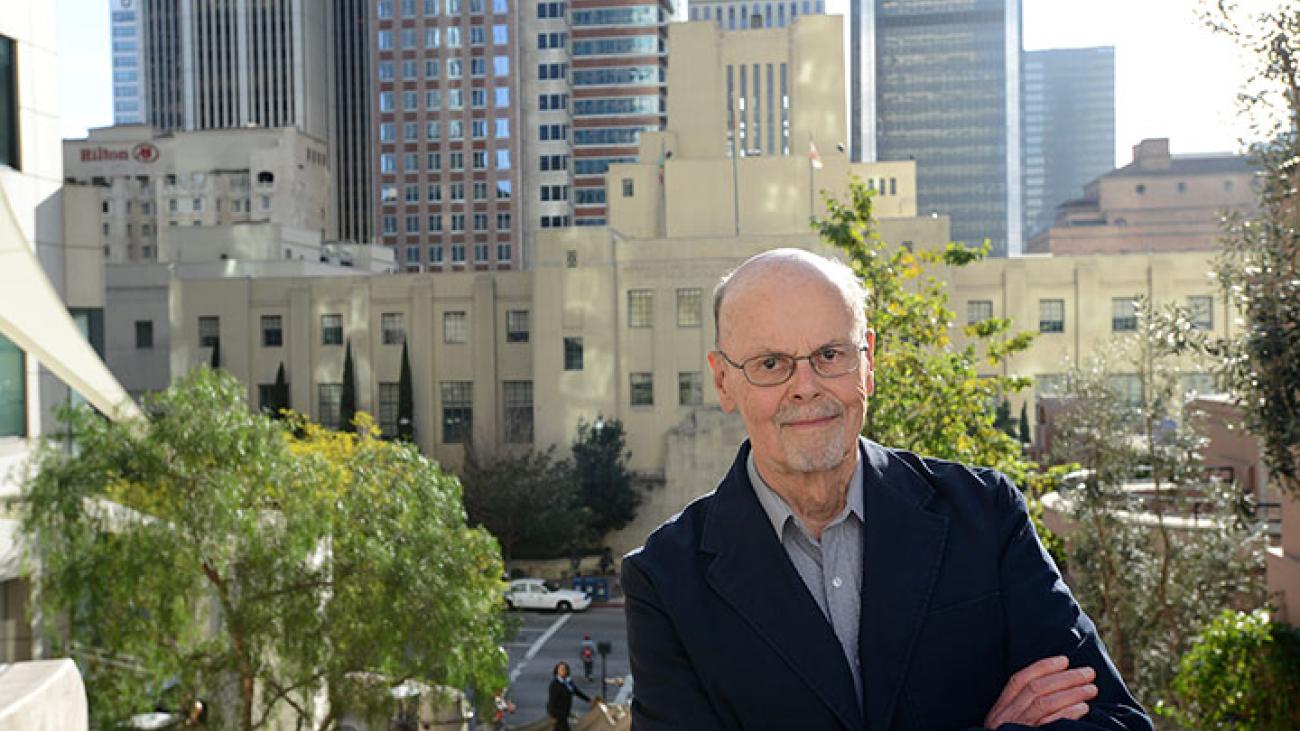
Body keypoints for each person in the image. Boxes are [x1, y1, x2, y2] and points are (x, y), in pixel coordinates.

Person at [621, 249, 1154, 730]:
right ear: (723, 382)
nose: (805, 386)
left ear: (867, 362)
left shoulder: (984, 515)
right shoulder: (667, 581)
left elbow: (1114, 722)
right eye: (770, 365)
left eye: (830, 354)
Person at [547, 661, 591, 731]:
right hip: (559, 714)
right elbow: (552, 701)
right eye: (561, 669)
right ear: (557, 671)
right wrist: (552, 715)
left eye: (564, 669)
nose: (563, 671)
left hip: (565, 713)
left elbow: (577, 692)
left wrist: (589, 700)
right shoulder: (554, 684)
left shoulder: (568, 682)